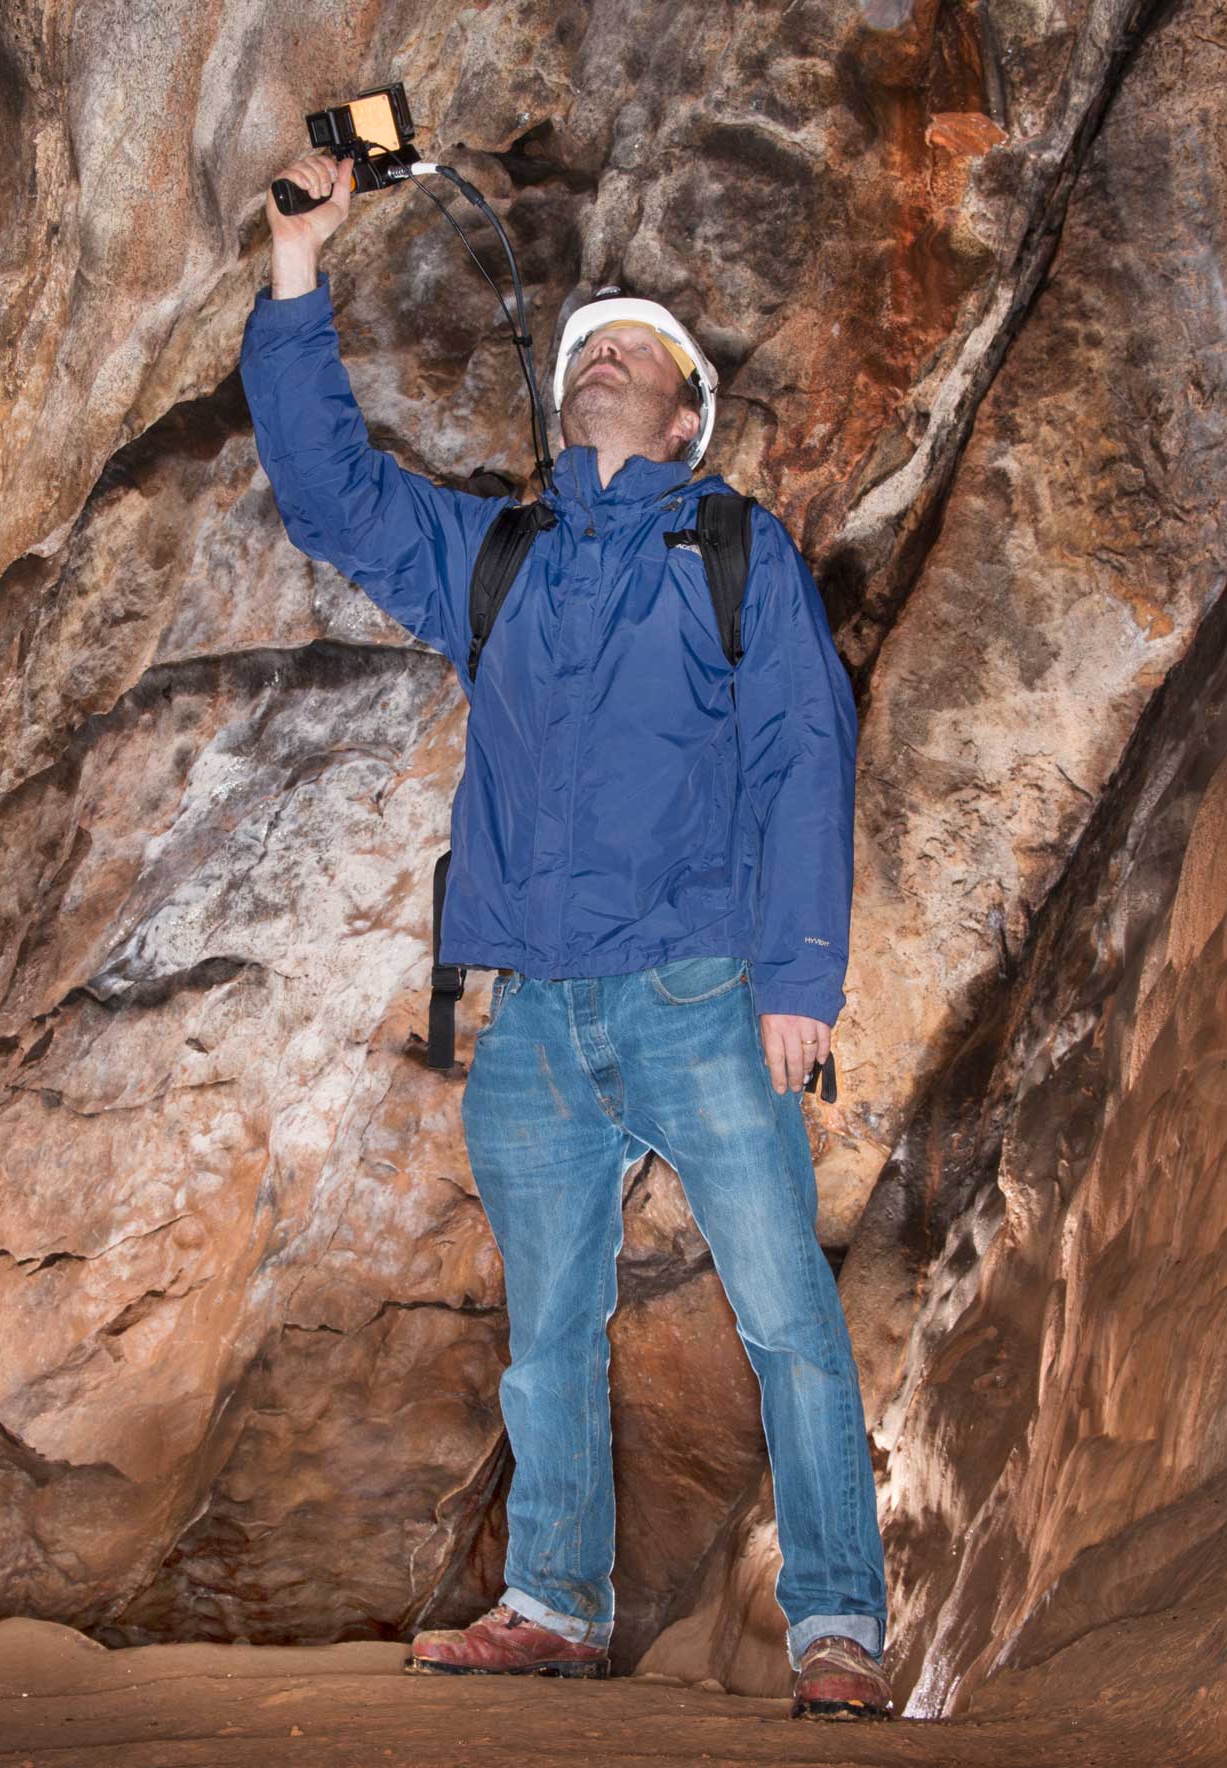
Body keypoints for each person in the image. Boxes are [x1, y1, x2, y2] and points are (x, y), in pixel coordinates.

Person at [239, 152, 890, 1722]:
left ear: (683, 423)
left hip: (698, 992)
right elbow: (330, 493)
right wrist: (293, 268)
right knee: (545, 1333)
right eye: (590, 343)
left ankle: (836, 1627)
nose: (608, 353)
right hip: (531, 1012)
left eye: (643, 353)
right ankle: (551, 1603)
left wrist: (799, 982)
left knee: (786, 1319)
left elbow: (805, 756)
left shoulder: (732, 559)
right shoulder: (499, 560)